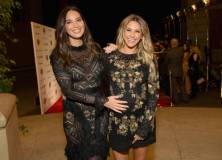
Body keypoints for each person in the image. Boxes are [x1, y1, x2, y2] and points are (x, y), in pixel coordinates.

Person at [50, 6, 128, 160]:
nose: (75, 25)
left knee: (100, 155)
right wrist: (103, 101)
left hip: (100, 115)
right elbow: (68, 91)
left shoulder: (95, 48)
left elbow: (108, 74)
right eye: (69, 22)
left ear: (84, 23)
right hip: (78, 117)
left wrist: (116, 53)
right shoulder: (58, 55)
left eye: (78, 20)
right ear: (63, 27)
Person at [104, 14, 159, 160]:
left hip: (142, 121)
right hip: (117, 123)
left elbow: (153, 95)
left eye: (137, 31)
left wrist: (144, 127)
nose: (132, 35)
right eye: (129, 30)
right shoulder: (108, 57)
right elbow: (93, 84)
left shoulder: (148, 58)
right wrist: (104, 100)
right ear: (122, 31)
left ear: (142, 35)